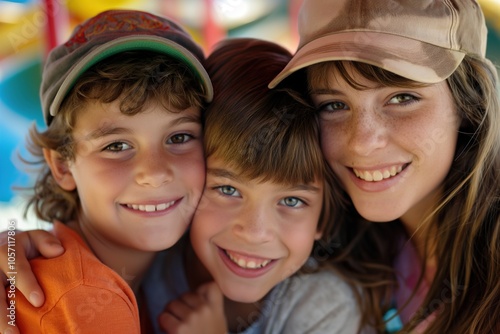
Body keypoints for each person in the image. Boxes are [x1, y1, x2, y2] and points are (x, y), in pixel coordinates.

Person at [268, 0, 499, 333]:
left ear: (469, 103)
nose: (362, 141)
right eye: (334, 105)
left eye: (402, 98)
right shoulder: (348, 251)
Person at [2, 9, 212, 333]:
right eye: (116, 146)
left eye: (179, 137)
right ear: (61, 165)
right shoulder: (89, 300)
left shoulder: (107, 280)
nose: (155, 173)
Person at [147, 37, 364, 334]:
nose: (254, 232)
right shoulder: (147, 263)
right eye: (228, 190)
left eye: (291, 201)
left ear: (324, 216)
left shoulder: (325, 308)